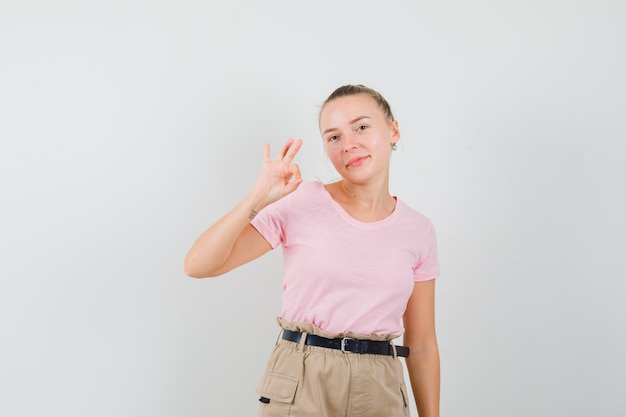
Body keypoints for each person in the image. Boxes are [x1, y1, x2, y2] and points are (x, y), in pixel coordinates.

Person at [184, 84, 440, 417]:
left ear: (393, 130)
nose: (348, 145)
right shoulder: (301, 202)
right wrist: (257, 197)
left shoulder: (419, 230)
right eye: (333, 137)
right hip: (302, 377)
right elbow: (199, 264)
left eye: (361, 127)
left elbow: (421, 346)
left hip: (381, 384)